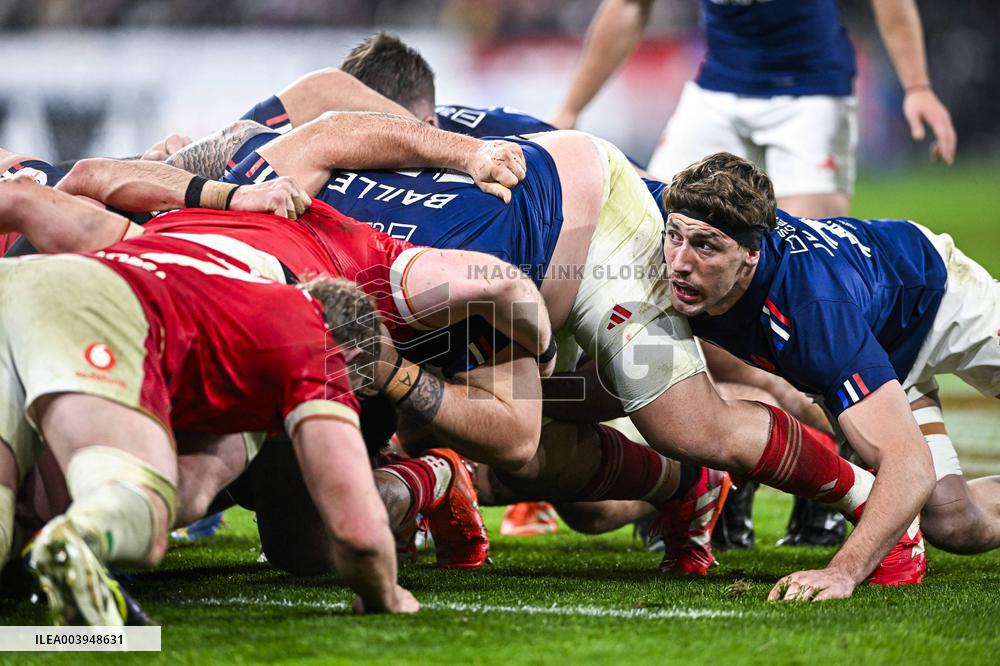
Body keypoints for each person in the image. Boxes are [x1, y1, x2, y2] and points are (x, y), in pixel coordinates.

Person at [199, 100, 928, 598]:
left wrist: (394, 374)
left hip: (584, 232)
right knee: (388, 470)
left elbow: (513, 431)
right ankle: (665, 486)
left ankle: (872, 506)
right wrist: (187, 170)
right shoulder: (243, 191)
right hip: (497, 248)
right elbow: (323, 118)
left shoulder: (442, 271)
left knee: (677, 425)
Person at [551, 0, 958, 547]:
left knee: (809, 301)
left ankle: (838, 484)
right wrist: (571, 110)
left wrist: (917, 86)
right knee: (676, 272)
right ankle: (722, 473)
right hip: (716, 91)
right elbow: (629, 6)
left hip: (812, 91)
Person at [0, 178, 421, 623]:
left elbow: (21, 196)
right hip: (95, 305)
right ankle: (81, 538)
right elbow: (357, 534)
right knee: (136, 494)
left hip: (22, 280)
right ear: (348, 356)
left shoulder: (205, 262)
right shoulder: (315, 342)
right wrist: (386, 594)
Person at [658, 152, 999, 595]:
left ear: (750, 255)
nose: (679, 262)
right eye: (674, 236)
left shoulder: (812, 312)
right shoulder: (670, 223)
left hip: (938, 297)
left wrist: (843, 572)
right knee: (953, 522)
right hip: (873, 345)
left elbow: (910, 465)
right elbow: (604, 171)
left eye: (705, 245)